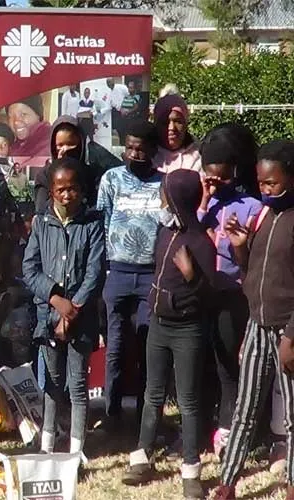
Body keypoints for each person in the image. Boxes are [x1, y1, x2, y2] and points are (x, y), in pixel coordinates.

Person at [122, 169, 216, 499]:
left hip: (187, 330)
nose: (161, 201)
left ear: (177, 199)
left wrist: (192, 276)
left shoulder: (201, 242)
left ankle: (191, 469)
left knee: (188, 401)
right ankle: (142, 457)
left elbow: (209, 295)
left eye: (165, 195)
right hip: (159, 325)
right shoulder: (166, 231)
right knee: (153, 393)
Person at [212, 140, 294, 500]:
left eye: (272, 183)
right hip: (258, 326)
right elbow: (252, 276)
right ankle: (227, 482)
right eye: (261, 183)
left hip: (288, 332)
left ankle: (291, 484)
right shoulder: (262, 216)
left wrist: (291, 337)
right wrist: (240, 245)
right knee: (244, 409)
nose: (265, 190)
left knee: (291, 417)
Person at [23, 157, 105, 456]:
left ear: (82, 191)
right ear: (51, 192)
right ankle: (47, 444)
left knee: (78, 383)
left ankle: (76, 450)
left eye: (73, 189)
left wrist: (73, 309)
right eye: (61, 190)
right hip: (48, 315)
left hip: (81, 317)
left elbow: (95, 271)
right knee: (52, 382)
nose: (67, 195)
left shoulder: (92, 224)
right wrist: (57, 301)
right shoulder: (41, 224)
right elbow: (30, 269)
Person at [197, 124, 262, 458]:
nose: (217, 182)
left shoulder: (251, 205)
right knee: (202, 364)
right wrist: (204, 199)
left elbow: (250, 260)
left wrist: (238, 244)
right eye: (211, 176)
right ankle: (200, 426)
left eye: (223, 177)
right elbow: (191, 229)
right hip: (203, 293)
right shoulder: (208, 202)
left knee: (227, 366)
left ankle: (228, 428)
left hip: (231, 295)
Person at [96, 120, 164, 426]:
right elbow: (103, 223)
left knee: (148, 346)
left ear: (153, 150)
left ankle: (145, 418)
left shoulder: (163, 183)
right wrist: (106, 270)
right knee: (116, 345)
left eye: (141, 149)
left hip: (151, 275)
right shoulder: (111, 179)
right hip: (118, 273)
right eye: (130, 148)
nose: (134, 154)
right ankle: (112, 415)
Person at [32, 116, 121, 214]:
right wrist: (59, 167)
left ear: (80, 144)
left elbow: (99, 207)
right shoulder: (44, 176)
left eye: (70, 144)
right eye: (60, 145)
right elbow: (42, 210)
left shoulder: (92, 175)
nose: (65, 149)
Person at [153, 94, 202, 173]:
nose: (171, 128)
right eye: (165, 122)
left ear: (186, 123)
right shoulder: (146, 154)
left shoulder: (201, 154)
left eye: (178, 121)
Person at [106, 78, 130, 145]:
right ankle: (121, 144)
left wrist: (124, 107)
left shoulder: (121, 87)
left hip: (125, 111)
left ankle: (125, 144)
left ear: (113, 81)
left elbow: (129, 95)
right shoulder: (109, 92)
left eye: (110, 82)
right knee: (118, 130)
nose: (109, 84)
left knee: (124, 130)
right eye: (108, 83)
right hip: (116, 112)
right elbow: (109, 105)